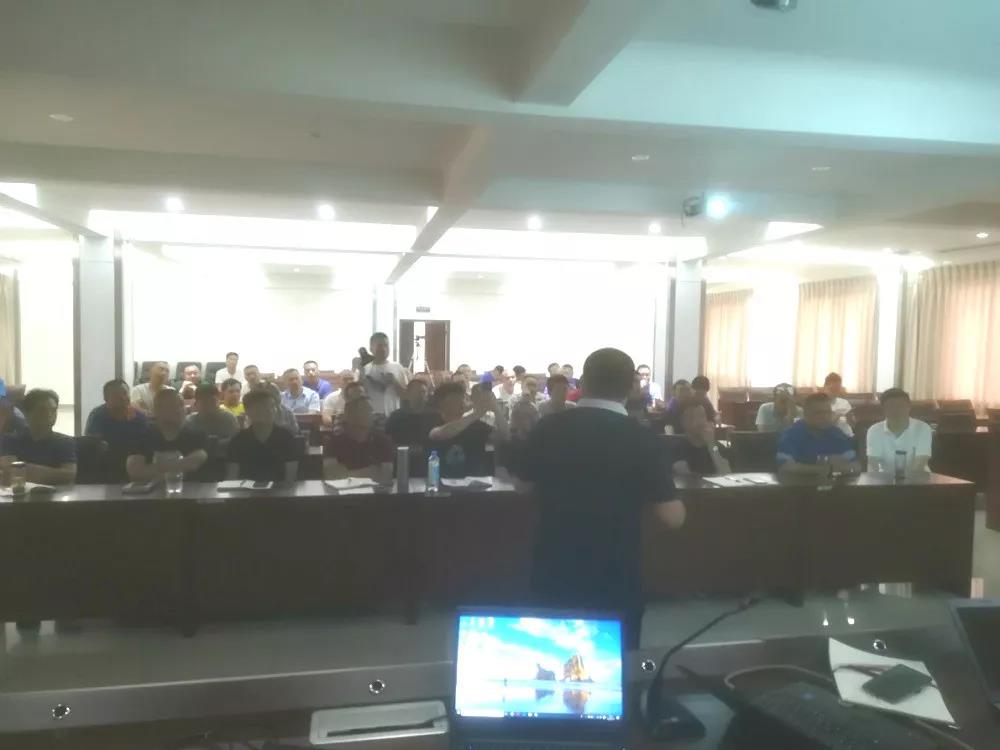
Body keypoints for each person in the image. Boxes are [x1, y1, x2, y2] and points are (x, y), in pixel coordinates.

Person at [515, 348, 685, 649]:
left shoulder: (548, 427)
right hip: (615, 567)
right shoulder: (642, 438)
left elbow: (522, 487)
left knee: (550, 648)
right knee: (615, 655)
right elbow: (672, 517)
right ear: (630, 387)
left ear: (584, 382)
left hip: (555, 562)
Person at [428, 382, 507, 478]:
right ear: (442, 403)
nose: (461, 402)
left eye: (462, 398)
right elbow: (440, 434)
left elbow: (505, 435)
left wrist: (495, 408)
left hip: (474, 483)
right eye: (455, 399)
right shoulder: (432, 420)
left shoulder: (475, 425)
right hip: (438, 480)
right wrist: (477, 413)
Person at [126, 389, 208, 482]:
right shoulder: (143, 436)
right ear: (157, 410)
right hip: (153, 491)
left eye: (181, 405)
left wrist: (153, 469)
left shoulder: (196, 434)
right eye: (172, 406)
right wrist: (181, 465)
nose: (179, 410)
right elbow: (135, 472)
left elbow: (195, 462)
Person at [0, 388, 77, 485]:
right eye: (42, 410)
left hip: (54, 493)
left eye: (53, 410)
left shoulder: (65, 441)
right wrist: (53, 474)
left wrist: (21, 469)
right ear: (27, 413)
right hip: (19, 492)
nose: (49, 414)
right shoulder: (10, 440)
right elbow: (8, 471)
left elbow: (68, 476)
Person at [777, 392, 860, 477]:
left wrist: (841, 466)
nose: (825, 416)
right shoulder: (792, 434)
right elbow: (785, 467)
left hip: (834, 483)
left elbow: (856, 466)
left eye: (828, 412)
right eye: (819, 413)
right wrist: (819, 469)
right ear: (805, 414)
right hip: (798, 484)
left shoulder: (837, 434)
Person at [225, 389, 300, 483]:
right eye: (263, 407)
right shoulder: (238, 440)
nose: (270, 411)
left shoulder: (286, 437)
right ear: (248, 411)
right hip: (245, 490)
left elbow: (291, 477)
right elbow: (231, 478)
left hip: (280, 490)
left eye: (272, 406)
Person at [323, 397, 394, 481]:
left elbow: (386, 476)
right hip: (342, 489)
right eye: (365, 410)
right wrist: (372, 471)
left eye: (370, 411)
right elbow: (331, 475)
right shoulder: (332, 442)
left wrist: (348, 474)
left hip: (376, 489)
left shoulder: (383, 441)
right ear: (348, 415)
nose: (371, 414)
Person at [866, 388, 932, 474]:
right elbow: (872, 464)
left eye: (901, 406)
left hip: (918, 478)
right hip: (885, 478)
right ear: (884, 409)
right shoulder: (874, 430)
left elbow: (920, 463)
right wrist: (873, 481)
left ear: (909, 407)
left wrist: (904, 481)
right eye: (891, 406)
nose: (896, 410)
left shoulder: (923, 428)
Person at [385, 380, 437, 466]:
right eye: (417, 392)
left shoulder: (434, 416)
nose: (420, 396)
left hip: (429, 462)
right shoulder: (396, 417)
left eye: (423, 392)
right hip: (403, 462)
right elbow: (389, 444)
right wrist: (413, 449)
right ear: (408, 394)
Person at [672, 403, 732, 477]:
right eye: (692, 417)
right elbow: (686, 477)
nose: (699, 421)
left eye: (702, 416)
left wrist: (711, 443)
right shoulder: (678, 448)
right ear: (683, 422)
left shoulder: (716, 447)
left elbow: (727, 473)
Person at [86, 379, 149, 446]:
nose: (123, 398)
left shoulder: (138, 416)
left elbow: (144, 444)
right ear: (106, 398)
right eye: (116, 395)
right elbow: (91, 443)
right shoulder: (97, 415)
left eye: (125, 393)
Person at [362, 332, 409, 418]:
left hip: (394, 416)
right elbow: (360, 397)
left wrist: (394, 382)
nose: (383, 349)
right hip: (372, 417)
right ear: (371, 348)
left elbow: (406, 396)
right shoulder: (365, 370)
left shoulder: (398, 367)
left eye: (386, 345)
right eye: (379, 346)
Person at [823, 372, 854, 437]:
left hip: (846, 436)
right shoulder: (818, 404)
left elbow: (852, 424)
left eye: (837, 389)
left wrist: (851, 418)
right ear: (825, 387)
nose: (834, 392)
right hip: (827, 436)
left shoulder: (844, 403)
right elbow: (822, 426)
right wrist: (837, 415)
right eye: (832, 389)